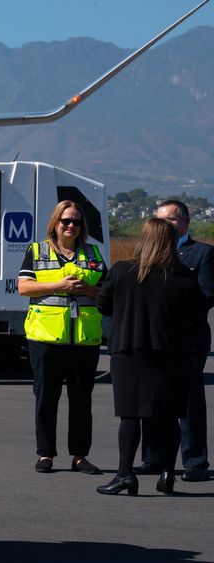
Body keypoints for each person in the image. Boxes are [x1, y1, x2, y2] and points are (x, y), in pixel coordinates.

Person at [94, 218, 208, 496]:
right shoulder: (183, 277)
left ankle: (125, 474)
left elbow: (103, 305)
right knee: (168, 417)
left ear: (143, 239)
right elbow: (197, 314)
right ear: (170, 241)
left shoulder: (122, 271)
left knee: (130, 417)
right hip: (172, 355)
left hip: (129, 352)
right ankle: (168, 474)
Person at [17, 200, 105, 475]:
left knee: (82, 401)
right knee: (46, 399)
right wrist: (58, 285)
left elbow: (106, 293)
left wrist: (87, 290)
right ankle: (45, 454)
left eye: (76, 222)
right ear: (55, 222)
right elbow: (23, 287)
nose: (70, 226)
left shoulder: (93, 253)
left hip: (83, 340)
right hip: (46, 339)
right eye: (65, 220)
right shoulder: (37, 250)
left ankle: (80, 456)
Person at [138, 200, 213, 482]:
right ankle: (152, 459)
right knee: (151, 400)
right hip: (152, 338)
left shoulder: (202, 254)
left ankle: (195, 462)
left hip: (187, 339)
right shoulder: (149, 254)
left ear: (184, 222)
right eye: (159, 220)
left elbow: (207, 296)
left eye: (168, 220)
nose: (163, 225)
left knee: (189, 401)